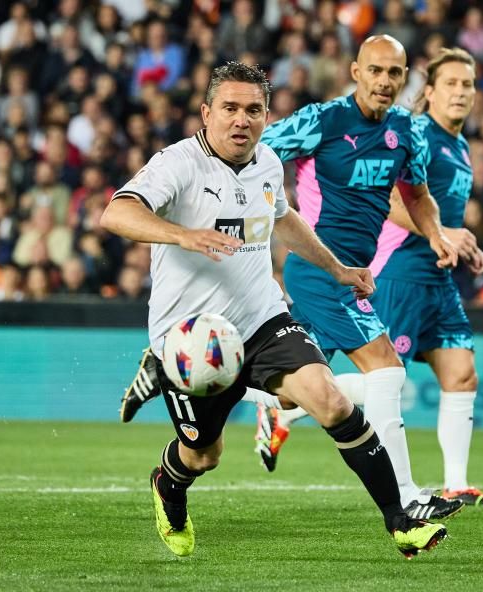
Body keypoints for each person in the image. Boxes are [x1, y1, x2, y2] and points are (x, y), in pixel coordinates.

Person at [99, 61, 448, 558]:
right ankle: (168, 485)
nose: (242, 120)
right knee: (203, 456)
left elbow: (283, 219)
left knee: (329, 399)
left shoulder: (265, 162)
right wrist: (183, 234)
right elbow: (116, 211)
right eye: (230, 109)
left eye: (253, 110)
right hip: (192, 338)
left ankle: (400, 521)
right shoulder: (177, 164)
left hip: (262, 320)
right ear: (207, 113)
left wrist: (339, 268)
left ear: (266, 117)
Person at [256, 48, 483, 507]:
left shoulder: (407, 131)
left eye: (394, 72)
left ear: (405, 77)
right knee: (387, 371)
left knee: (302, 387)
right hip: (327, 269)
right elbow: (258, 149)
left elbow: (417, 193)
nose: (384, 80)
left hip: (355, 274)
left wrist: (437, 235)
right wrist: (254, 212)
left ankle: (239, 391)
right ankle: (407, 497)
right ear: (356, 73)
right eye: (375, 70)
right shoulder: (324, 120)